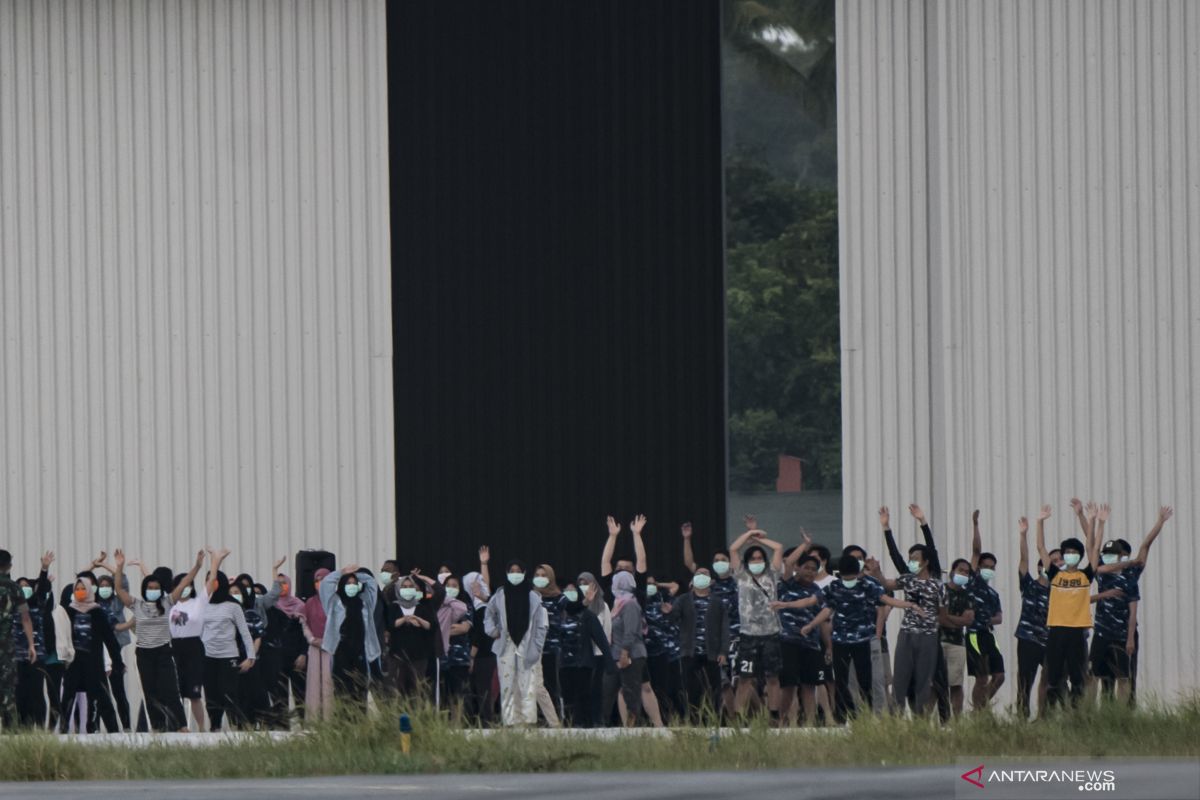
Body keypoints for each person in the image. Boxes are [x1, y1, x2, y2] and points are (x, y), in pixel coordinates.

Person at [114, 548, 203, 732]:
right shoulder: (136, 605)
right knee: (150, 692)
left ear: (161, 590)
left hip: (163, 651)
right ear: (144, 590)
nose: (153, 591)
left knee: (171, 691)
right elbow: (118, 589)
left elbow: (184, 583)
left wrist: (197, 566)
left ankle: (182, 726)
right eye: (149, 588)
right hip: (144, 654)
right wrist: (119, 567)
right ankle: (157, 727)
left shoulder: (167, 602)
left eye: (156, 588)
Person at [823, 555, 918, 722]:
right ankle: (846, 716)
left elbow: (883, 607)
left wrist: (877, 636)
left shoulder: (870, 585)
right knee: (844, 681)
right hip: (843, 641)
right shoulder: (836, 586)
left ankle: (875, 717)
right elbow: (828, 610)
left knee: (873, 682)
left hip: (868, 640)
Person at [1090, 505, 1170, 702]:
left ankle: (1123, 713)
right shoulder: (1101, 574)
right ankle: (1091, 712)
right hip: (1101, 632)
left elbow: (1145, 546)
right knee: (1095, 674)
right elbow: (1092, 545)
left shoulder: (1130, 576)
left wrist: (1159, 522)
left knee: (1124, 675)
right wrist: (1095, 521)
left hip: (1122, 634)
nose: (1108, 557)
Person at [867, 518, 941, 716]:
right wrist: (877, 572)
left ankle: (921, 718)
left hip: (928, 635)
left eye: (916, 558)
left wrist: (924, 522)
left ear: (926, 561)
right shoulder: (907, 579)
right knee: (900, 678)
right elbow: (887, 584)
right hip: (907, 633)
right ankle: (895, 719)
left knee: (924, 679)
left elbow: (943, 611)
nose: (911, 562)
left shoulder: (937, 584)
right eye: (910, 558)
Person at [726, 520, 788, 719]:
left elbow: (779, 548)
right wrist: (750, 534)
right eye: (752, 558)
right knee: (745, 678)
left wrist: (761, 539)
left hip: (771, 633)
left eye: (760, 558)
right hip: (748, 635)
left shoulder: (773, 574)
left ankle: (774, 715)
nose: (756, 561)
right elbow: (733, 549)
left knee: (773, 677)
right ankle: (737, 716)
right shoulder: (741, 575)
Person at [682, 521, 739, 714]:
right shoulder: (709, 584)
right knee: (720, 682)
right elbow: (690, 564)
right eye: (716, 560)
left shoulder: (736, 582)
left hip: (734, 637)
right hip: (712, 641)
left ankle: (737, 717)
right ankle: (723, 717)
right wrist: (687, 539)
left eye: (723, 559)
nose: (719, 562)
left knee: (736, 680)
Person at [485, 559, 548, 727]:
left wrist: (537, 646)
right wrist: (492, 631)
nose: (515, 574)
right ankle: (510, 721)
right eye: (511, 570)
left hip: (527, 645)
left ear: (524, 573)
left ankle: (528, 721)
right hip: (505, 644)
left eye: (518, 570)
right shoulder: (500, 595)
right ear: (506, 573)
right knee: (507, 684)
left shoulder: (533, 596)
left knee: (528, 684)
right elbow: (488, 614)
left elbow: (542, 625)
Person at [58, 575, 123, 733]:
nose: (80, 592)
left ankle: (103, 729)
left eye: (83, 589)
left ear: (89, 591)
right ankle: (63, 730)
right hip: (73, 662)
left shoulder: (97, 612)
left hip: (93, 662)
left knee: (100, 697)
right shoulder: (68, 611)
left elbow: (110, 639)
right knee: (68, 696)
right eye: (77, 589)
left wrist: (117, 661)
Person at [776, 547, 832, 726]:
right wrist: (804, 545)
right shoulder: (787, 584)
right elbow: (788, 562)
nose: (810, 572)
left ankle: (809, 723)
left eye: (814, 569)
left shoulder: (818, 591)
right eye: (806, 567)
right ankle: (784, 721)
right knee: (789, 685)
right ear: (798, 568)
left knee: (810, 684)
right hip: (787, 641)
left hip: (811, 644)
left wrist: (828, 646)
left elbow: (823, 621)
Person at [201, 553, 257, 731]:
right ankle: (215, 726)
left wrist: (250, 657)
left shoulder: (233, 606)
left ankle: (237, 727)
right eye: (208, 580)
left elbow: (245, 633)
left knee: (229, 693)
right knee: (211, 694)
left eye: (215, 580)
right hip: (208, 657)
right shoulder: (201, 605)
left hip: (229, 656)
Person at [666, 566, 729, 722]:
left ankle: (713, 720)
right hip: (690, 651)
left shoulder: (718, 602)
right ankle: (693, 720)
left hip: (712, 652)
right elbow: (674, 620)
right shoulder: (683, 599)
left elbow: (724, 629)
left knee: (713, 689)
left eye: (705, 574)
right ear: (693, 579)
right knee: (691, 689)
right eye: (698, 574)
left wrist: (723, 651)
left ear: (711, 580)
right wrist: (668, 611)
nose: (701, 576)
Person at [319, 565, 381, 715]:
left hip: (360, 649)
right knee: (342, 688)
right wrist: (342, 572)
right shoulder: (334, 601)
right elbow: (326, 584)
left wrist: (358, 574)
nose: (351, 586)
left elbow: (372, 584)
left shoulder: (365, 601)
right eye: (348, 583)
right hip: (341, 650)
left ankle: (359, 723)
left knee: (360, 688)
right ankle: (342, 722)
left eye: (354, 583)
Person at [558, 577, 616, 727]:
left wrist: (609, 662)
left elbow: (601, 639)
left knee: (583, 694)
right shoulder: (559, 614)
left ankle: (584, 724)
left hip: (582, 662)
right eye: (567, 590)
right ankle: (569, 723)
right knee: (567, 695)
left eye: (573, 590)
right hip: (564, 662)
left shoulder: (587, 615)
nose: (570, 593)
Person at [260, 569, 309, 728]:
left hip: (297, 657)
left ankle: (304, 725)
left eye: (284, 583)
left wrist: (303, 654)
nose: (282, 586)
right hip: (277, 657)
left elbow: (306, 633)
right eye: (278, 583)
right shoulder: (271, 607)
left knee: (300, 693)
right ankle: (282, 728)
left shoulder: (300, 606)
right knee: (279, 694)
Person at [966, 510, 1005, 711]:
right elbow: (976, 551)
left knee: (999, 676)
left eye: (992, 566)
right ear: (980, 567)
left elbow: (999, 616)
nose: (989, 569)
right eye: (986, 565)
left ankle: (980, 707)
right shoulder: (972, 581)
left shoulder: (993, 593)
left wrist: (993, 620)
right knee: (981, 677)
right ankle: (978, 710)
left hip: (988, 633)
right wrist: (975, 525)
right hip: (973, 634)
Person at [1015, 516, 1053, 719]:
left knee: (1047, 680)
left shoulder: (1059, 589)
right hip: (1028, 638)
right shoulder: (1029, 585)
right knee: (1025, 681)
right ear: (1040, 568)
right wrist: (1023, 536)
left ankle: (1043, 716)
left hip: (1050, 639)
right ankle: (1022, 715)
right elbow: (1023, 561)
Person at [12, 552, 54, 729]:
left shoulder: (37, 603)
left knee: (36, 692)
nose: (24, 588)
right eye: (20, 586)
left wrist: (44, 569)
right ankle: (22, 726)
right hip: (15, 656)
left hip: (37, 654)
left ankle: (38, 726)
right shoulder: (11, 605)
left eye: (27, 585)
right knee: (19, 694)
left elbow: (43, 588)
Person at [169, 558, 212, 730]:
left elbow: (211, 582)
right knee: (175, 692)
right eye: (180, 584)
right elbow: (153, 584)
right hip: (174, 647)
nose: (185, 587)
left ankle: (201, 727)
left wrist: (215, 560)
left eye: (188, 583)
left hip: (193, 647)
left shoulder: (199, 602)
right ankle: (179, 727)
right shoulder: (170, 604)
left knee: (194, 694)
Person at [384, 573, 440, 698]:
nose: (407, 589)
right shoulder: (393, 606)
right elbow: (390, 625)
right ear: (398, 589)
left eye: (410, 586)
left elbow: (431, 626)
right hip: (397, 656)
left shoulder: (423, 606)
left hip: (418, 657)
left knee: (417, 692)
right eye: (404, 586)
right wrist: (405, 619)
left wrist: (418, 620)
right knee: (397, 692)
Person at [1, 549, 38, 730]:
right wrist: (31, 644)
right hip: (6, 646)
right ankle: (10, 729)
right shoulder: (14, 588)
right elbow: (25, 618)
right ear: (9, 566)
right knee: (7, 688)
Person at [644, 576, 685, 723]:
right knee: (654, 688)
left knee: (674, 688)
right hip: (650, 653)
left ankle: (679, 718)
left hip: (671, 652)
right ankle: (656, 719)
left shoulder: (664, 599)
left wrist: (658, 584)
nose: (650, 586)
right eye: (647, 584)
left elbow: (675, 585)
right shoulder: (639, 602)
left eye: (652, 584)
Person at [939, 558, 976, 717]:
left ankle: (957, 720)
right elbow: (938, 618)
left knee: (956, 684)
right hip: (938, 641)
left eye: (967, 572)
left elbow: (968, 621)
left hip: (957, 644)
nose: (964, 574)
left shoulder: (968, 595)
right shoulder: (941, 590)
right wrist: (954, 620)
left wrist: (948, 618)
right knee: (936, 684)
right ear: (953, 571)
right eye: (961, 570)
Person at [533, 564, 567, 721]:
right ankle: (539, 718)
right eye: (537, 575)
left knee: (552, 684)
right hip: (533, 648)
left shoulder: (560, 598)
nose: (540, 578)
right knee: (535, 686)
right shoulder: (531, 596)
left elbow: (565, 620)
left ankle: (555, 719)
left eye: (543, 575)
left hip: (551, 647)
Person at [438, 574, 473, 717]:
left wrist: (444, 629)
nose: (451, 589)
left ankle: (457, 724)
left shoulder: (466, 606)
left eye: (455, 586)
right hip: (442, 658)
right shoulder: (438, 606)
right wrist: (451, 628)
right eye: (448, 585)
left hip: (459, 658)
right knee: (444, 694)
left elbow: (464, 628)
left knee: (458, 695)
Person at [301, 568, 333, 722]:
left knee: (329, 682)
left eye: (324, 580)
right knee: (314, 682)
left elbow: (338, 624)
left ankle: (329, 720)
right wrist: (312, 639)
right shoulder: (310, 602)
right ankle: (313, 721)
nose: (320, 584)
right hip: (314, 646)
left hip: (331, 646)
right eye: (317, 580)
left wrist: (327, 640)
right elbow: (304, 623)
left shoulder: (336, 601)